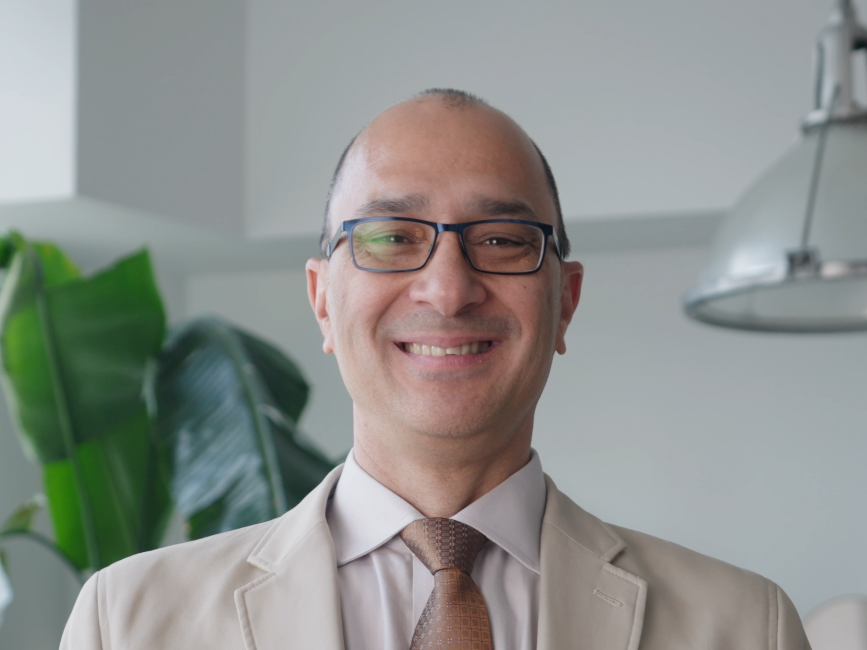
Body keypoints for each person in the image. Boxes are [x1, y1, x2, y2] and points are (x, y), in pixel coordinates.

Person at [60, 89, 811, 650]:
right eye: (390, 236)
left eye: (504, 239)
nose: (448, 290)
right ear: (323, 301)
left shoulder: (745, 625)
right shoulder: (127, 620)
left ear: (565, 303)